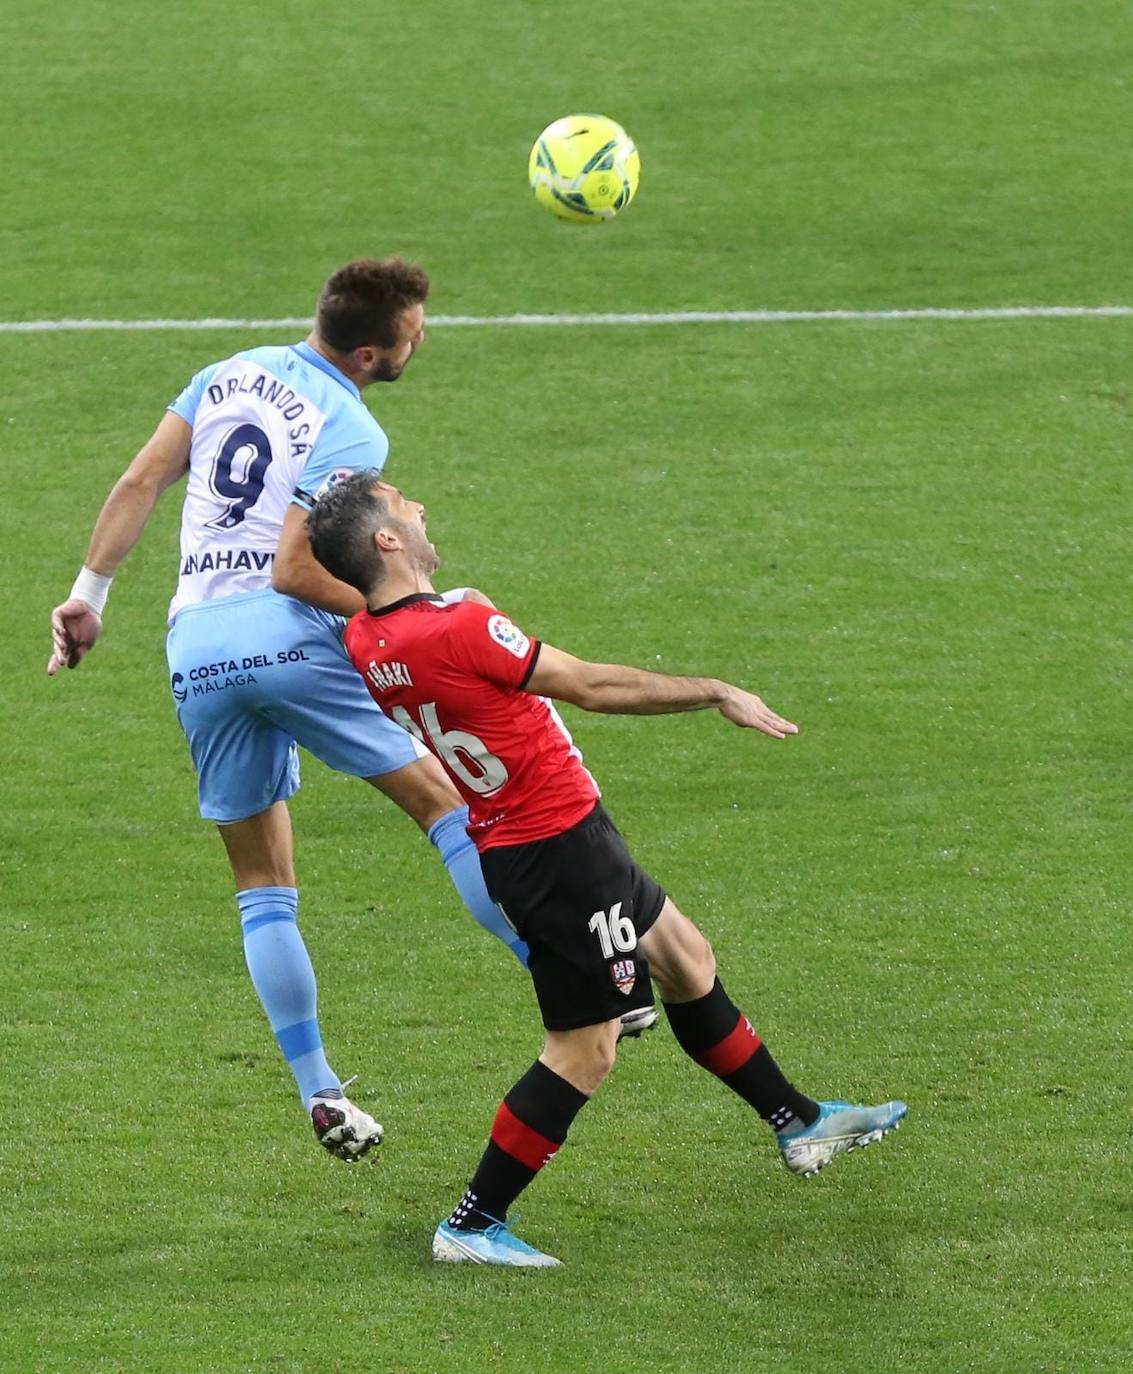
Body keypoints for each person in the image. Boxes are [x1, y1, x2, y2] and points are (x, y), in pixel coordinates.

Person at [307, 471, 909, 1268]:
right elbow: (588, 685)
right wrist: (713, 691)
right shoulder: (459, 626)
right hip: (556, 854)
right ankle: (471, 1223)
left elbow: (423, 628)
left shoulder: (369, 638)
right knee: (584, 1048)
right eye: (402, 505)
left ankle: (796, 1120)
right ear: (386, 539)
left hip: (554, 839)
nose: (418, 507)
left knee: (685, 959)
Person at [45, 257, 547, 1163]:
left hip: (194, 646)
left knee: (262, 889)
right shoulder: (351, 426)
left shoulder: (222, 375)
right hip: (286, 634)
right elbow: (298, 567)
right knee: (446, 804)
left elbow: (137, 484)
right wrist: (419, 618)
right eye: (413, 331)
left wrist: (90, 595)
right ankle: (562, 972)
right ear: (369, 349)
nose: (420, 339)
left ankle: (319, 1090)